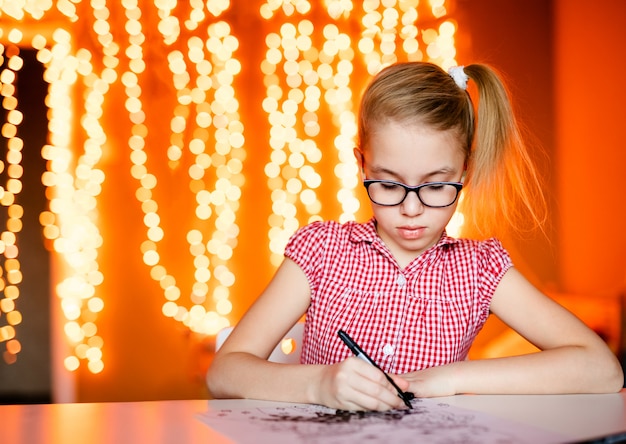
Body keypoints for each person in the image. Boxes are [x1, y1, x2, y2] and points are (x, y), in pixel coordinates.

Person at [207, 62, 623, 412]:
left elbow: (602, 371)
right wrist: (318, 385)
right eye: (388, 185)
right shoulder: (321, 252)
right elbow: (225, 372)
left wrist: (451, 378)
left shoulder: (480, 270)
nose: (411, 209)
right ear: (362, 164)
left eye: (436, 186)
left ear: (465, 173)